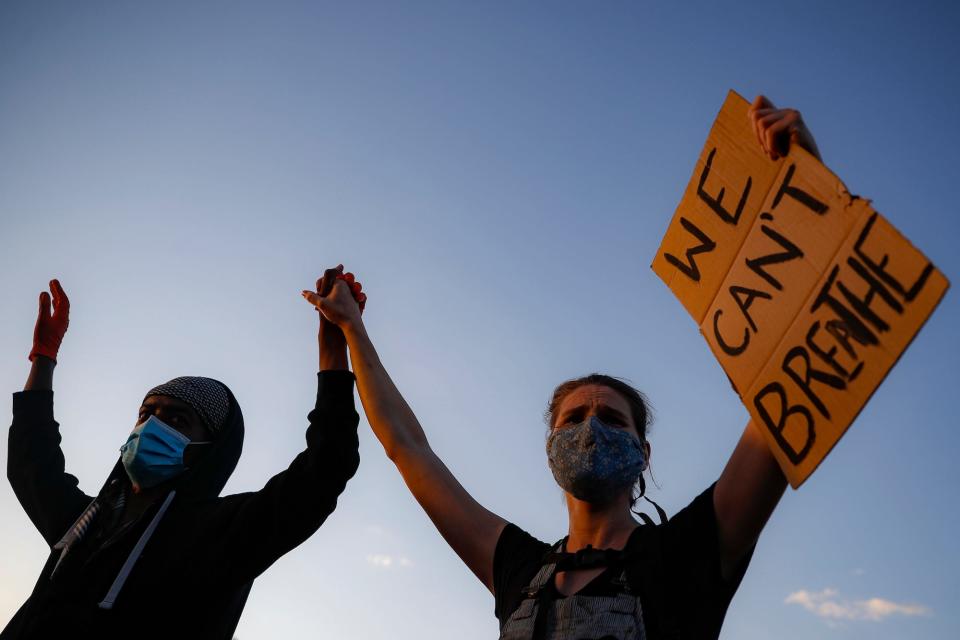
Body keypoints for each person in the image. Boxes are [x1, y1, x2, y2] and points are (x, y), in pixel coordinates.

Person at [302, 96, 821, 640]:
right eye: (572, 419)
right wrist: (352, 332)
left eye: (612, 419)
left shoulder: (691, 550)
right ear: (550, 447)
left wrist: (810, 200)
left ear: (644, 454)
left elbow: (786, 389)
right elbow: (406, 445)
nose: (590, 427)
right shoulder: (516, 569)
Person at [4, 270, 364, 639]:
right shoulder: (85, 523)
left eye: (177, 418)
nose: (152, 427)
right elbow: (31, 461)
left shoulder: (225, 534)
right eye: (147, 414)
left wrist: (334, 350)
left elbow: (324, 470)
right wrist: (43, 358)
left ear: (210, 450)